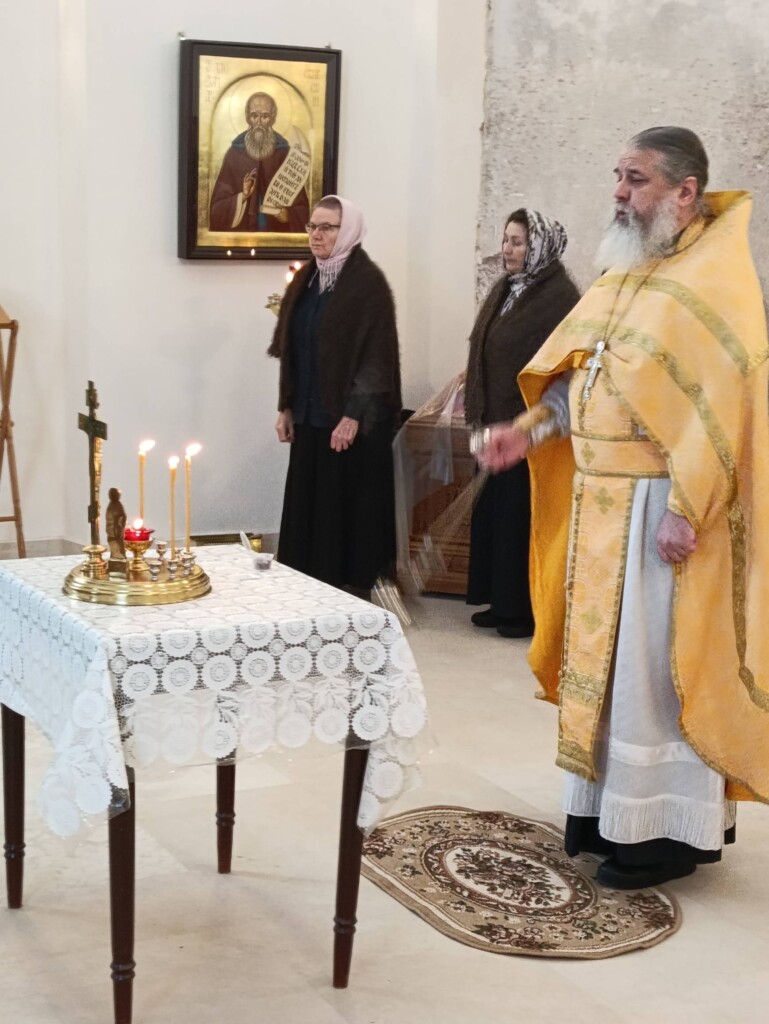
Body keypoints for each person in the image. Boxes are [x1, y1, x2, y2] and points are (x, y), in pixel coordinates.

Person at [478, 127, 769, 888]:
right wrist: (528, 429)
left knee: (653, 678)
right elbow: (586, 377)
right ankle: (605, 815)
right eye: (618, 175)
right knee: (606, 675)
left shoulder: (717, 284)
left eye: (635, 179)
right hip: (601, 510)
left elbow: (726, 412)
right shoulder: (624, 271)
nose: (618, 192)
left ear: (685, 191)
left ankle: (662, 838)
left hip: (660, 514)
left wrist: (688, 509)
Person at [267, 195, 401, 595]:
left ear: (349, 231)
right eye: (312, 226)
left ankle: (344, 587)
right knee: (309, 501)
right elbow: (293, 348)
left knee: (342, 504)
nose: (316, 235)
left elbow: (376, 358)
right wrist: (286, 406)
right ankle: (305, 583)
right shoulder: (307, 280)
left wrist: (352, 415)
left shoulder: (367, 284)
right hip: (309, 415)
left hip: (350, 419)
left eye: (327, 227)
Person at [465, 209, 580, 638]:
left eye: (517, 242)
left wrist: (528, 423)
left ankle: (522, 610)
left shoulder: (560, 297)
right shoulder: (506, 288)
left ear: (540, 247)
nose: (507, 250)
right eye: (506, 240)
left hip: (529, 427)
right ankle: (499, 600)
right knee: (494, 515)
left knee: (519, 518)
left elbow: (559, 367)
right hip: (495, 419)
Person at [210, 92, 309, 233]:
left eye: (265, 116)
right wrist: (243, 196)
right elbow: (217, 209)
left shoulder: (284, 153)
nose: (259, 122)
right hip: (243, 234)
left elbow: (302, 208)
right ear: (247, 118)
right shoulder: (235, 154)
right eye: (254, 115)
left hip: (276, 234)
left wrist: (288, 216)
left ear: (272, 118)